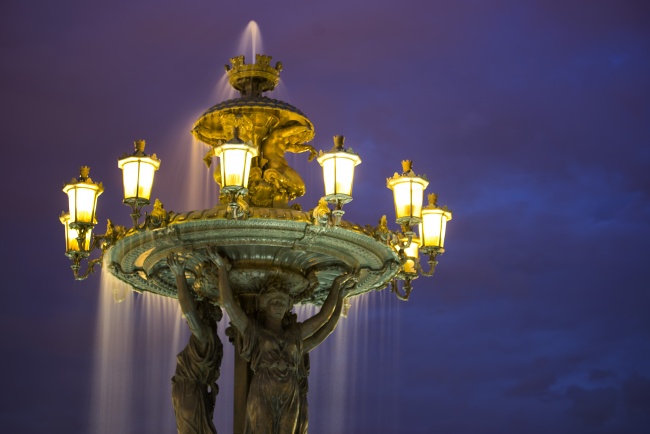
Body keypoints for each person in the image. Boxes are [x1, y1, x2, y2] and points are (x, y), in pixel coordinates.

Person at [209, 250, 357, 434]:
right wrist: (222, 269)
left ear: (288, 306)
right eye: (274, 302)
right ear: (265, 304)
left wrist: (337, 289)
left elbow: (324, 321)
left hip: (289, 392)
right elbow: (230, 306)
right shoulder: (255, 332)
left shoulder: (295, 335)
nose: (279, 306)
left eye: (282, 302)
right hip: (263, 390)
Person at [168, 254, 223, 434]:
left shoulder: (203, 337)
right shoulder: (214, 342)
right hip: (193, 393)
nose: (187, 320)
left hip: (189, 393)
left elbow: (189, 312)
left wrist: (179, 275)